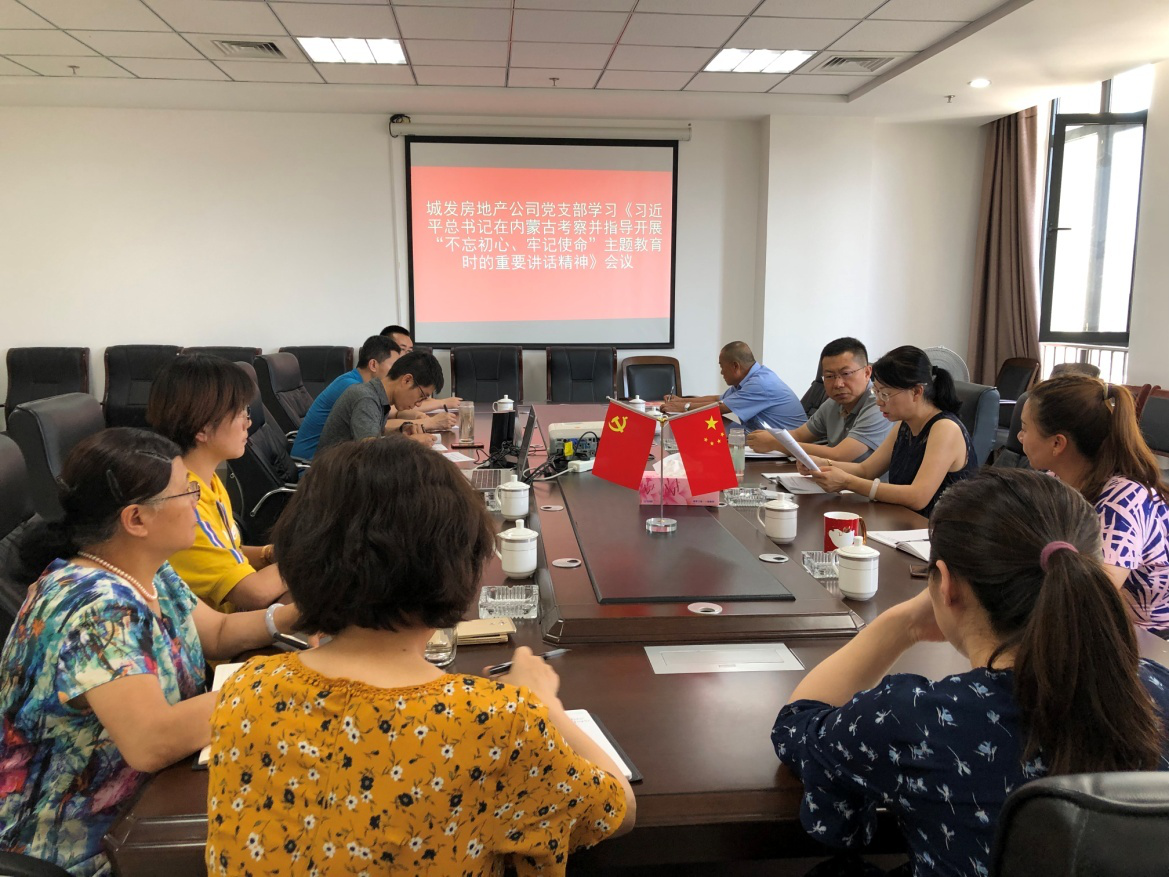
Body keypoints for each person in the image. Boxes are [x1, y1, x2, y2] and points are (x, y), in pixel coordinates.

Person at [205, 438, 636, 876]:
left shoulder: (245, 691)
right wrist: (545, 706)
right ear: (458, 564)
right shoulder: (498, 722)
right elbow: (617, 809)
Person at [772, 468, 1169, 877]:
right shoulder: (1157, 690)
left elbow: (796, 727)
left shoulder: (915, 719)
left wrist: (902, 625)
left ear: (947, 585)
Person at [0, 429, 307, 876]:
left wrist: (301, 614)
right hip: (88, 842)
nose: (197, 498)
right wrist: (284, 681)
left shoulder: (146, 568)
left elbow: (217, 632)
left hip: (149, 799)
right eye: (186, 491)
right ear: (136, 519)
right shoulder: (96, 606)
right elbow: (152, 740)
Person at [1019, 374, 1169, 636]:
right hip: (1097, 626)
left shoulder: (1123, 501)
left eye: (1025, 428)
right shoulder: (1056, 480)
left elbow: (1092, 600)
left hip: (1149, 637)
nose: (1019, 436)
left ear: (1057, 443)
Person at [147, 353, 286, 611]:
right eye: (240, 413)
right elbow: (253, 593)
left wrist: (269, 553)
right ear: (202, 428)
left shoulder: (207, 479)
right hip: (216, 633)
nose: (248, 422)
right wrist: (310, 560)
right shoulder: (186, 501)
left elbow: (227, 552)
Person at [804, 345, 977, 517]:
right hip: (905, 521)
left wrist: (848, 482)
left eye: (885, 394)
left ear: (916, 392)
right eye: (876, 392)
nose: (879, 401)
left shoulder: (945, 428)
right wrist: (821, 463)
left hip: (940, 528)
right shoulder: (904, 425)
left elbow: (918, 497)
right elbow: (866, 470)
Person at [746, 337, 891, 462]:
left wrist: (776, 444)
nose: (838, 384)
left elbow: (840, 455)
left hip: (868, 485)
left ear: (867, 372)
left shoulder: (879, 404)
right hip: (834, 480)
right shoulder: (833, 403)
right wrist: (768, 437)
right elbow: (799, 435)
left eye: (846, 373)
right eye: (829, 376)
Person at [291, 335, 413, 461]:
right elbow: (370, 443)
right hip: (312, 463)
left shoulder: (359, 384)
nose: (397, 373)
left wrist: (400, 431)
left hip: (331, 458)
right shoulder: (355, 389)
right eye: (394, 367)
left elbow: (372, 428)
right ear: (373, 365)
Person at [316, 350, 448, 454]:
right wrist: (411, 441)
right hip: (334, 474)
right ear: (407, 380)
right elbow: (371, 452)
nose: (419, 404)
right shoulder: (366, 397)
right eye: (422, 396)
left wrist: (401, 430)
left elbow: (373, 434)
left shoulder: (377, 395)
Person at [660, 341, 805, 431]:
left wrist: (683, 408)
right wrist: (680, 400)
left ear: (735, 366)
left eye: (722, 366)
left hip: (788, 451)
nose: (721, 372)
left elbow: (721, 408)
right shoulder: (749, 379)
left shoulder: (760, 384)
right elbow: (718, 399)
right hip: (769, 442)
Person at [380, 323, 461, 413]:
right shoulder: (382, 372)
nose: (407, 355)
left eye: (409, 351)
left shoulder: (407, 373)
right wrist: (442, 403)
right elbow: (391, 410)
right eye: (402, 349)